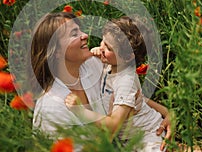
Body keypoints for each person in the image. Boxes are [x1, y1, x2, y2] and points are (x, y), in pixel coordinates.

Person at [31, 12, 170, 150]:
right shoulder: (51, 109)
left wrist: (167, 113)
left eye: (80, 29)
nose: (85, 35)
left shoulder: (94, 65)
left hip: (146, 138)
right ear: (56, 51)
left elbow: (132, 95)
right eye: (74, 34)